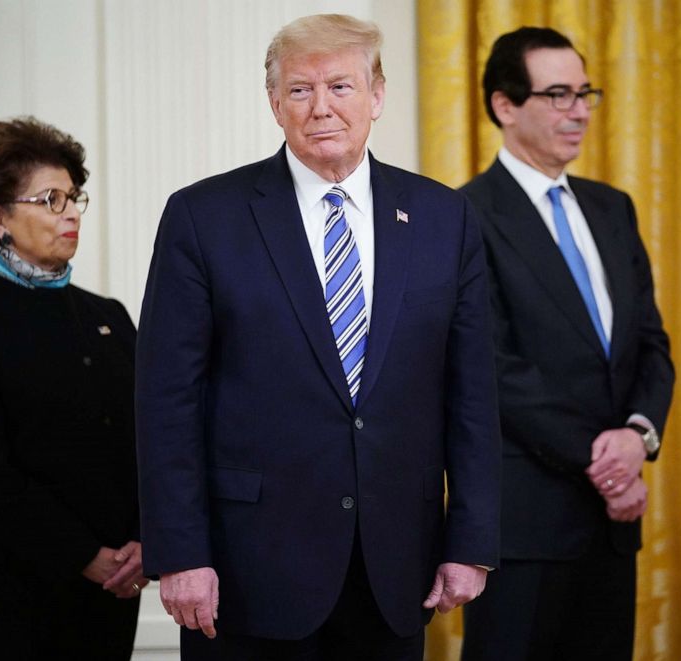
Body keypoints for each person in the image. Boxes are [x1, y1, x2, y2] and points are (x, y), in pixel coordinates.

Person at [135, 13, 500, 660]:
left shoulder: (445, 217)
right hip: (246, 572)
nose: (321, 107)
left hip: (395, 566)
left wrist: (470, 541)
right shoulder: (203, 217)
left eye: (341, 86)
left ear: (377, 96)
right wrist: (180, 553)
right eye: (300, 90)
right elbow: (167, 400)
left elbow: (472, 393)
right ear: (275, 104)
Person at [459, 27, 675, 660]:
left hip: (611, 528)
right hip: (524, 529)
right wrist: (606, 465)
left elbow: (651, 346)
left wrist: (638, 436)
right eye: (558, 95)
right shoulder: (464, 215)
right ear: (505, 105)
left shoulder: (613, 208)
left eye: (585, 93)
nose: (579, 111)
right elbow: (491, 368)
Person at [0, 117, 148, 659]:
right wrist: (83, 554)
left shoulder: (109, 316)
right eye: (50, 199)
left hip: (115, 586)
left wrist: (144, 543)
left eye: (74, 197)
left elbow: (147, 438)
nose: (70, 212)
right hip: (13, 592)